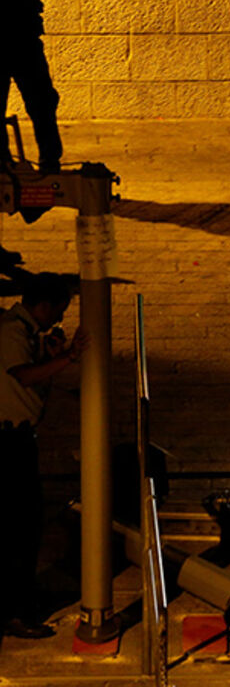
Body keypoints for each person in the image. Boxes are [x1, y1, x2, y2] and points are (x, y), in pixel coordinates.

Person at [0, 273, 86, 639]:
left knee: (23, 525)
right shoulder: (11, 332)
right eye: (60, 311)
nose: (60, 320)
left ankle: (18, 604)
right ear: (44, 306)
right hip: (8, 440)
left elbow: (34, 384)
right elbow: (23, 377)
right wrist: (67, 357)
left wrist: (54, 359)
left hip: (17, 437)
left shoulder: (24, 332)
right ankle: (15, 612)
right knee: (20, 527)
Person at [2, 0, 62, 172]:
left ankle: (50, 163)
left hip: (25, 38)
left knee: (43, 102)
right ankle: (4, 167)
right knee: (42, 101)